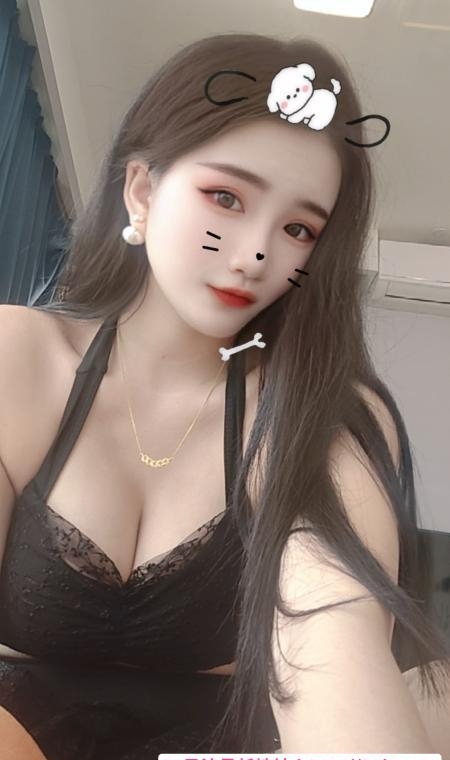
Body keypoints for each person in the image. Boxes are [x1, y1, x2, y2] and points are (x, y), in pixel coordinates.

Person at [0, 31, 449, 760]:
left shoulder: (318, 413)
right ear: (141, 192)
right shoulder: (17, 358)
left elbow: (334, 640)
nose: (255, 254)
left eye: (298, 227)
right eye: (225, 196)